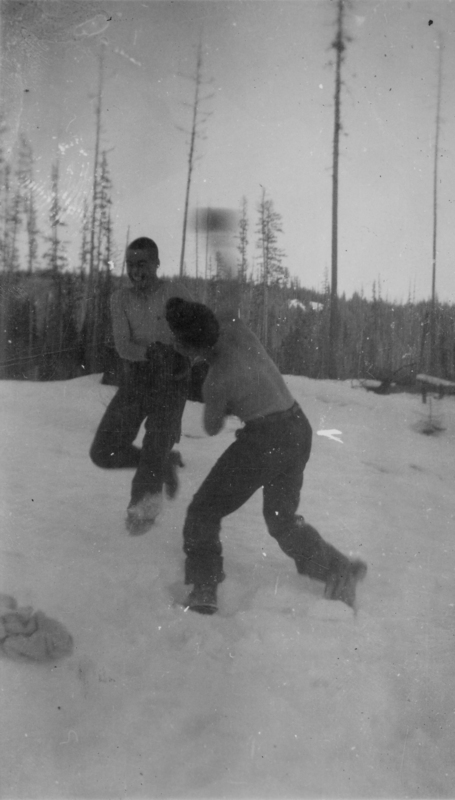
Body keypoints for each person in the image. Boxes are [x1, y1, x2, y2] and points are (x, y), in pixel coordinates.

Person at [165, 297, 367, 615]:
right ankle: (338, 569)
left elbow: (211, 425)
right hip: (299, 428)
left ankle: (204, 588)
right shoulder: (233, 322)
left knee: (203, 511)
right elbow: (229, 289)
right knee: (281, 520)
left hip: (264, 440)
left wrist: (217, 394)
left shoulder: (215, 380)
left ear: (189, 347)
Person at [90, 237, 194, 534]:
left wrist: (179, 357)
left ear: (157, 263)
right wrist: (151, 353)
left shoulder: (175, 293)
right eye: (131, 265)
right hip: (139, 378)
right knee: (103, 452)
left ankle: (142, 510)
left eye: (143, 264)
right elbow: (123, 346)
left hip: (172, 381)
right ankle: (163, 464)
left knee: (155, 444)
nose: (136, 271)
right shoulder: (120, 299)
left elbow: (201, 333)